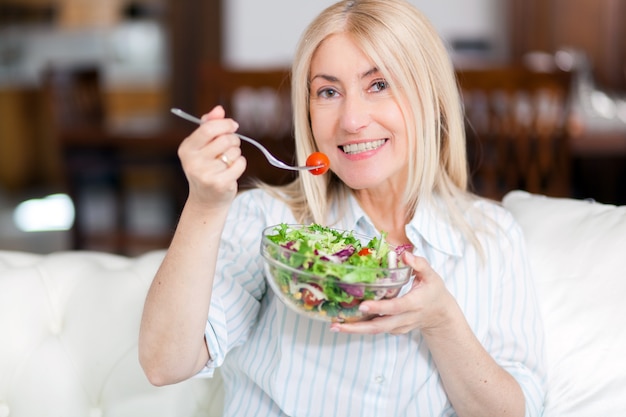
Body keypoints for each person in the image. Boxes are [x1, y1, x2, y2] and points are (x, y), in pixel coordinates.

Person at [138, 0, 546, 416]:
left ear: (431, 96)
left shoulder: (491, 237)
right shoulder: (266, 221)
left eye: (379, 84)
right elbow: (165, 363)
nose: (351, 120)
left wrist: (442, 322)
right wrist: (204, 206)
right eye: (328, 92)